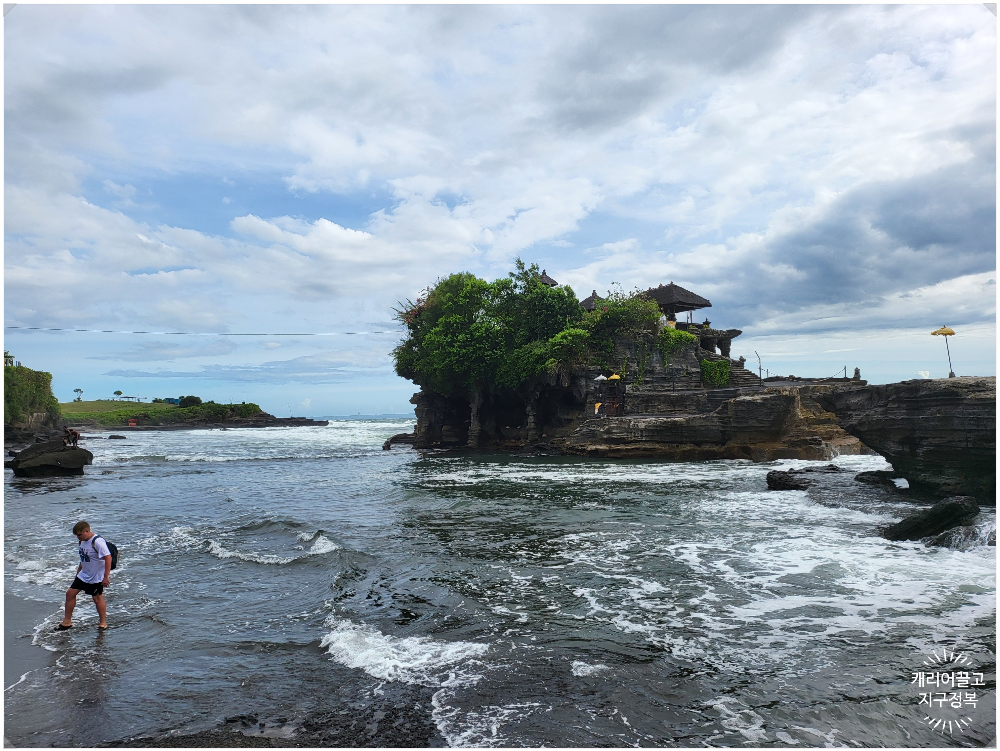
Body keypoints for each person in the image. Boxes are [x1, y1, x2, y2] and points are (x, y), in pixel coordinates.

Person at [58, 521, 111, 630]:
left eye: (79, 534)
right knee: (70, 594)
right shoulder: (82, 541)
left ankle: (103, 623)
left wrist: (106, 577)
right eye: (76, 535)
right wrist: (79, 570)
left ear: (87, 531)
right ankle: (67, 621)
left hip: (95, 576)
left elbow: (108, 558)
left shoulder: (98, 542)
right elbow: (84, 557)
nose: (78, 537)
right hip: (83, 574)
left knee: (97, 599)